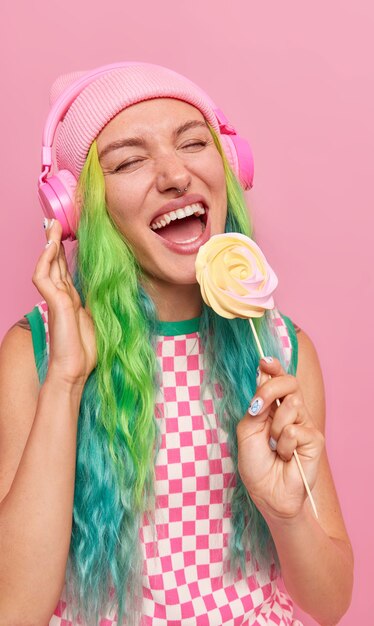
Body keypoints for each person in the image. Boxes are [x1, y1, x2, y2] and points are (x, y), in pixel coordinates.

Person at [0, 63, 354, 626]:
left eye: (193, 143)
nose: (174, 175)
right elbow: (14, 610)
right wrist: (66, 381)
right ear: (80, 207)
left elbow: (330, 602)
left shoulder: (282, 353)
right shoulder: (38, 353)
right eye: (130, 161)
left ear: (230, 167)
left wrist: (286, 515)